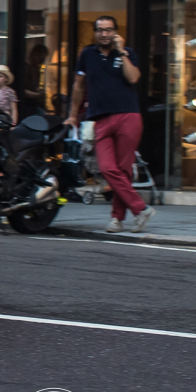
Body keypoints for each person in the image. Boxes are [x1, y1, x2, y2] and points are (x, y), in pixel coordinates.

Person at [65, 15, 155, 233]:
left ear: (115, 32)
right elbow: (78, 85)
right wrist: (72, 114)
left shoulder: (127, 53)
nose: (104, 34)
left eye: (109, 30)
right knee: (106, 168)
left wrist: (122, 52)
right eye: (100, 30)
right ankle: (140, 209)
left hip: (128, 116)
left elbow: (133, 78)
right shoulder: (87, 54)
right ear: (95, 32)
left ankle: (117, 219)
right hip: (101, 119)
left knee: (123, 170)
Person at [19, 43, 50, 117]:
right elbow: (23, 91)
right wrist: (38, 94)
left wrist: (39, 91)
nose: (41, 62)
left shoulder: (35, 69)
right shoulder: (25, 68)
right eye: (41, 59)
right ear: (35, 55)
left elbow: (33, 86)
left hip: (33, 105)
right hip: (26, 106)